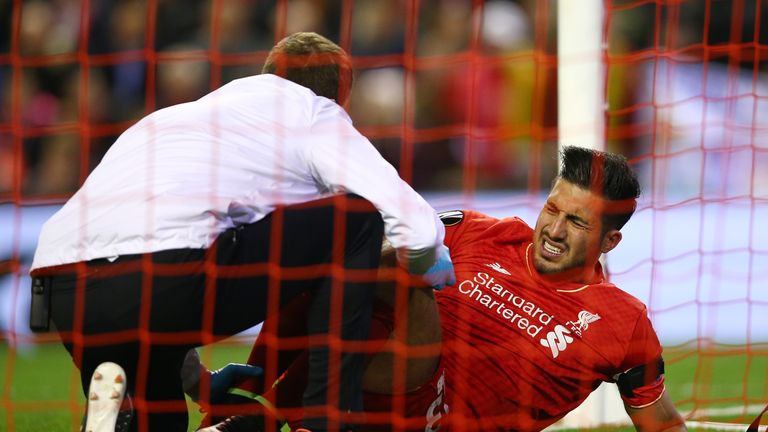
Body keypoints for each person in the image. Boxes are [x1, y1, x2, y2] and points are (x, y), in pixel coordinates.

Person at [29, 32, 455, 432]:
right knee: (357, 219)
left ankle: (122, 409)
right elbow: (415, 228)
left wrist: (198, 381)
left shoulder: (175, 117)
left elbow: (142, 246)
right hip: (166, 277)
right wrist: (432, 272)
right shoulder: (312, 111)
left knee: (161, 412)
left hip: (67, 292)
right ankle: (326, 417)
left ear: (268, 72)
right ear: (339, 97)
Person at [190, 146, 688, 431]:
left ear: (611, 240)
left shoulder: (621, 322)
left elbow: (659, 422)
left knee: (402, 271)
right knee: (345, 249)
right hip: (370, 376)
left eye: (576, 223)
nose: (553, 231)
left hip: (439, 417)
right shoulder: (478, 229)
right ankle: (250, 401)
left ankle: (269, 417)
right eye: (552, 210)